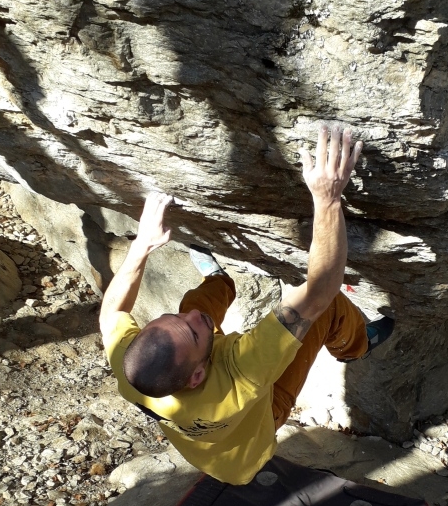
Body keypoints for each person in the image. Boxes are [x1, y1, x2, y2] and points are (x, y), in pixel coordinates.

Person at [99, 124, 394, 485]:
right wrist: (327, 198)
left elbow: (111, 312)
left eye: (171, 319)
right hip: (258, 427)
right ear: (198, 376)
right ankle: (357, 344)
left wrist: (143, 245)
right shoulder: (242, 375)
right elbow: (320, 292)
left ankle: (219, 280)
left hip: (207, 436)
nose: (191, 318)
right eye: (192, 331)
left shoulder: (131, 365)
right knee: (327, 312)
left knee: (197, 305)